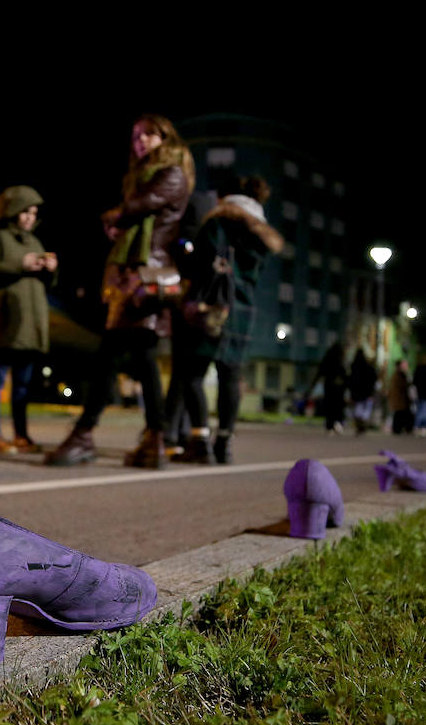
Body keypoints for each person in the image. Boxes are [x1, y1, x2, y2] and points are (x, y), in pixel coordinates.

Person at [45, 115, 194, 468]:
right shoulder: (146, 176)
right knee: (140, 361)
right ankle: (154, 440)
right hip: (133, 275)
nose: (140, 142)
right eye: (136, 137)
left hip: (144, 277)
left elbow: (140, 206)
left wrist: (114, 217)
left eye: (147, 136)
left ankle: (85, 434)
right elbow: (138, 211)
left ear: (164, 138)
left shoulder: (170, 173)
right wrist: (119, 222)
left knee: (110, 357)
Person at [171, 174, 282, 464]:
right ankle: (224, 444)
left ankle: (201, 439)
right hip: (244, 308)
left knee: (191, 373)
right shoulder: (260, 232)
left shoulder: (219, 221)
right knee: (230, 377)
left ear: (226, 198)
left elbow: (201, 262)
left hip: (213, 306)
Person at [0, 186, 57, 456]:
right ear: (11, 211)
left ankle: (21, 435)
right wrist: (20, 264)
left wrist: (50, 270)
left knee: (23, 384)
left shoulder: (34, 241)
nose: (29, 218)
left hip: (30, 325)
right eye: (24, 211)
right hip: (6, 320)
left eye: (33, 213)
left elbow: (47, 284)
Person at [307, 342, 349, 435]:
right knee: (337, 406)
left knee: (330, 406)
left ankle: (330, 425)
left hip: (330, 386)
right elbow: (346, 375)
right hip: (338, 388)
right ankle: (336, 424)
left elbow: (320, 372)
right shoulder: (341, 361)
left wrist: (312, 386)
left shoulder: (328, 359)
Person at [348, 348, 378, 435]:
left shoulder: (354, 367)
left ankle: (360, 423)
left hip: (357, 392)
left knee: (358, 408)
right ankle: (362, 423)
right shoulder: (367, 366)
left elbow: (351, 380)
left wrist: (351, 390)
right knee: (365, 408)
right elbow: (373, 377)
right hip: (366, 392)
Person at [388, 359, 413, 435]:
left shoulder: (398, 374)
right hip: (400, 398)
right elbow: (403, 386)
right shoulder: (399, 375)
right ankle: (398, 429)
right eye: (404, 365)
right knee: (399, 414)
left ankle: (399, 429)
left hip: (400, 398)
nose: (406, 366)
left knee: (399, 414)